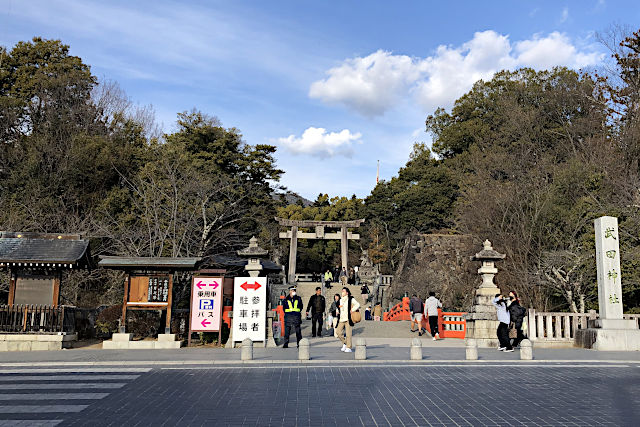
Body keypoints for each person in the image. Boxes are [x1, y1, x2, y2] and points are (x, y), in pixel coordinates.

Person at [335, 287, 360, 352]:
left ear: (347, 292)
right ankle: (345, 343)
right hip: (341, 318)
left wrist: (352, 310)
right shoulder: (340, 300)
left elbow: (357, 304)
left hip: (348, 318)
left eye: (343, 291)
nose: (342, 292)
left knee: (348, 334)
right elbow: (338, 307)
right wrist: (337, 311)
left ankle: (349, 347)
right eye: (342, 291)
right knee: (338, 332)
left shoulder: (351, 299)